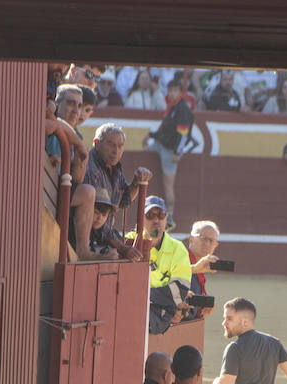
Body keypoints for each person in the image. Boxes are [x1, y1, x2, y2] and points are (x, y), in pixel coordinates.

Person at [73, 124, 150, 262]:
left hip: (100, 239)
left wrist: (136, 182)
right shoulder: (91, 167)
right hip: (85, 239)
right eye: (111, 144)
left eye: (120, 146)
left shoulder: (114, 168)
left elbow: (123, 200)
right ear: (97, 144)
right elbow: (98, 219)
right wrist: (122, 247)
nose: (116, 150)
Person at [131, 195, 194, 334]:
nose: (156, 220)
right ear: (141, 219)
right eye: (150, 215)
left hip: (159, 314)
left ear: (166, 219)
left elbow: (180, 290)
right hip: (132, 306)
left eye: (160, 215)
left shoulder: (178, 249)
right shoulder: (128, 242)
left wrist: (140, 294)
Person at [146, 79, 195, 226]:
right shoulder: (172, 107)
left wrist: (177, 152)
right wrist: (151, 136)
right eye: (170, 90)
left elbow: (184, 134)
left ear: (180, 92)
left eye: (175, 91)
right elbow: (165, 129)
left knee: (168, 184)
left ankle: (171, 217)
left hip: (170, 150)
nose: (172, 93)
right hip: (162, 145)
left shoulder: (182, 110)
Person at [183, 219, 220, 298]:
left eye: (211, 240)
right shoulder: (179, 258)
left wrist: (201, 309)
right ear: (191, 239)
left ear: (215, 245)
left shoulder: (202, 266)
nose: (207, 244)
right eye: (203, 238)